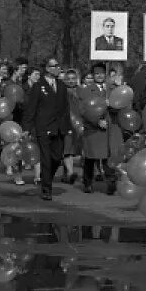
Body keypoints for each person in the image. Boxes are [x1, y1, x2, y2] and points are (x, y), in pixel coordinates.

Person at [22, 57, 71, 202]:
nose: (58, 68)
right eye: (54, 66)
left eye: (58, 66)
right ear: (47, 69)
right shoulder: (38, 86)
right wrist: (27, 128)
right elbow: (31, 109)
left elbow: (65, 108)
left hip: (59, 128)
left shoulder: (61, 85)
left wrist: (67, 127)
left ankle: (46, 176)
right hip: (44, 128)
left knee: (56, 157)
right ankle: (46, 189)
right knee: (46, 159)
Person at [80, 63, 121, 195]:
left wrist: (113, 105)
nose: (100, 76)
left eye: (102, 73)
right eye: (97, 73)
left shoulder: (112, 89)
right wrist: (96, 121)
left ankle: (111, 182)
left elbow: (120, 105)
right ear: (93, 75)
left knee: (108, 157)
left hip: (109, 128)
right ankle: (87, 182)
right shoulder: (87, 90)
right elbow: (84, 110)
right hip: (93, 130)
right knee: (91, 158)